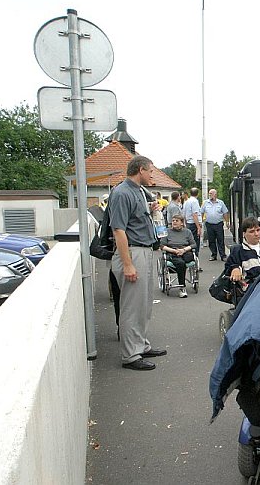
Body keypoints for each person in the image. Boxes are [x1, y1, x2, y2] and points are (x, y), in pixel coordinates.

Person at [108, 155, 167, 371]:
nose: (152, 175)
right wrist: (128, 264)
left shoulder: (138, 192)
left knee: (143, 305)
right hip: (132, 253)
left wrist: (149, 209)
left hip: (143, 251)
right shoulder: (122, 193)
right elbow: (119, 230)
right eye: (150, 171)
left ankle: (140, 345)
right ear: (140, 170)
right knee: (132, 307)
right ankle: (131, 355)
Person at [225, 217, 260, 291]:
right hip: (251, 291)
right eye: (252, 231)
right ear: (244, 234)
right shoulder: (238, 251)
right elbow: (230, 267)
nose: (256, 234)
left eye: (258, 230)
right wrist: (235, 269)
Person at [159, 214, 197, 298]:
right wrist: (174, 251)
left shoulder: (187, 232)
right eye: (173, 221)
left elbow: (194, 244)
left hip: (185, 252)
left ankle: (181, 282)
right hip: (172, 252)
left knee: (186, 259)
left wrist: (183, 250)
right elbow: (162, 245)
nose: (174, 222)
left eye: (177, 221)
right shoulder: (167, 231)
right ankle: (182, 287)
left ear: (182, 223)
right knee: (180, 263)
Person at [202, 188, 230, 261]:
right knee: (211, 240)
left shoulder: (220, 203)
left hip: (218, 224)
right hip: (209, 224)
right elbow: (201, 212)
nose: (210, 195)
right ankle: (213, 255)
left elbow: (225, 212)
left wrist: (227, 222)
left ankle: (223, 255)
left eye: (211, 193)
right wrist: (201, 221)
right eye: (209, 193)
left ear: (215, 194)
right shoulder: (205, 203)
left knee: (220, 240)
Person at [183, 187, 202, 257]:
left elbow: (184, 215)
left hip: (188, 224)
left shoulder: (186, 202)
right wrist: (198, 227)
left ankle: (189, 257)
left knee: (189, 242)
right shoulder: (195, 201)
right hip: (194, 224)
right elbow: (195, 214)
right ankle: (195, 258)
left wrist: (185, 224)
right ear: (198, 194)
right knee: (195, 243)